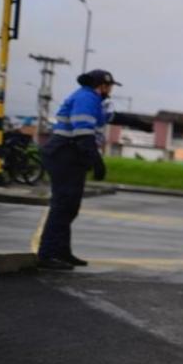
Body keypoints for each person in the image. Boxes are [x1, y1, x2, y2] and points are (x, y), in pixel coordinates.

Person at [37, 70, 121, 270]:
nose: (111, 90)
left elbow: (107, 118)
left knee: (70, 207)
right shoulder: (86, 98)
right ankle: (47, 254)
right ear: (102, 85)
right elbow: (82, 132)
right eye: (110, 86)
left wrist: (138, 123)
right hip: (63, 155)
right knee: (63, 205)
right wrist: (97, 161)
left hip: (69, 157)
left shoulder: (91, 99)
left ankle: (62, 252)